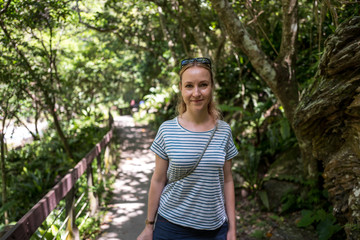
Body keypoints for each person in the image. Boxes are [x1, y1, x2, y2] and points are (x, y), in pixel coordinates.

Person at [137, 57, 238, 240]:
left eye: (203, 85)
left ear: (212, 87)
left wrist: (232, 228)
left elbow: (228, 180)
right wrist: (149, 226)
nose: (196, 93)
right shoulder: (167, 130)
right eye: (189, 86)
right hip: (171, 227)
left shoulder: (224, 130)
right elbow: (158, 180)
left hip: (215, 230)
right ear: (181, 89)